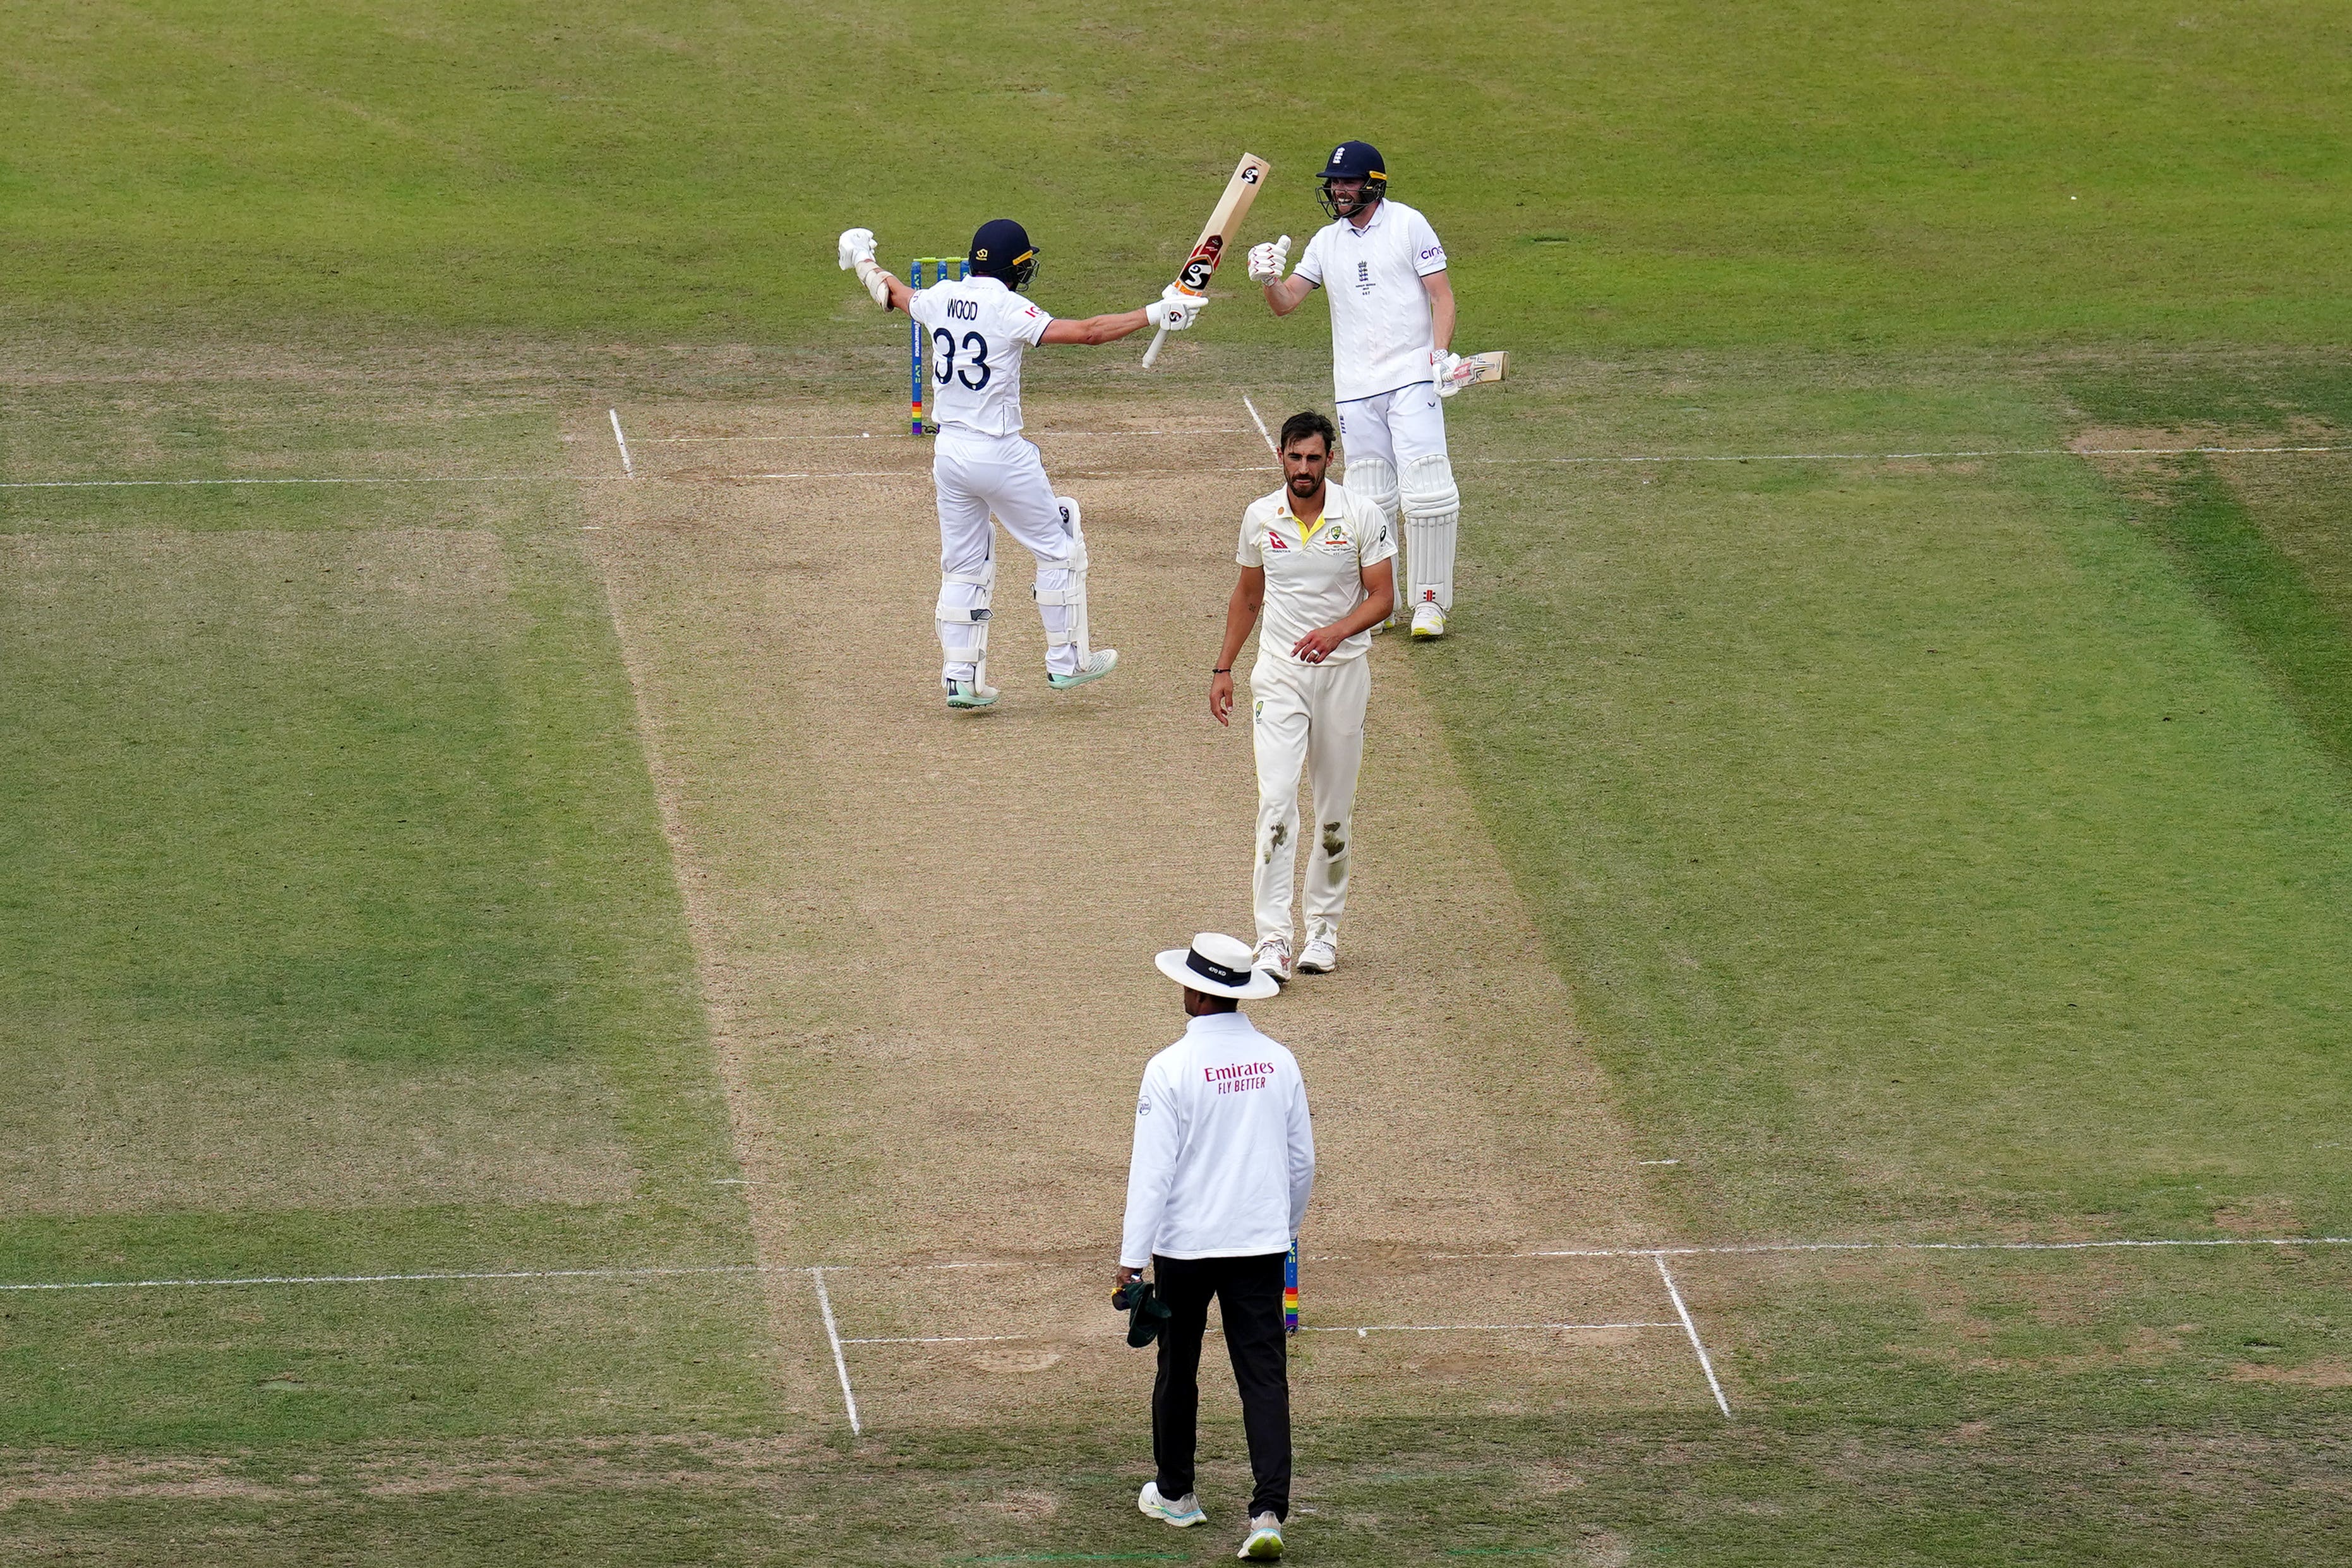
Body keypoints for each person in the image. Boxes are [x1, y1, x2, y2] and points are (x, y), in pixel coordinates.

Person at [839, 220, 1206, 709]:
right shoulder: (1009, 307)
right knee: (1060, 547)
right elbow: (1091, 334)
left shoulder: (942, 295)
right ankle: (1067, 661)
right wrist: (1157, 313)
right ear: (1015, 267)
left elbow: (894, 293)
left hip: (949, 453)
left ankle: (961, 679)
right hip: (1000, 451)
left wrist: (862, 257)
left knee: (964, 564)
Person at [1121, 932, 1316, 1562]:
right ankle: (1266, 1510)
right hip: (1258, 1243)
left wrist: (1131, 1256)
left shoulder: (1169, 1067)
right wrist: (1282, 1227)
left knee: (1178, 1366)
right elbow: (1300, 1161)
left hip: (1186, 1246)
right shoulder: (1278, 1061)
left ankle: (1177, 1493)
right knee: (1263, 1374)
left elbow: (1152, 1172)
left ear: (1198, 992)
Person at [1247, 141, 1466, 640]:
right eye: (1334, 182)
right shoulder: (1326, 241)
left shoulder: (1409, 224)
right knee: (1369, 497)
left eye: (1348, 181)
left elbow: (1443, 297)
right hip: (1355, 387)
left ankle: (1430, 603)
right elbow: (1285, 304)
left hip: (1412, 377)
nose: (1339, 190)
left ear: (1374, 183)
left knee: (1427, 490)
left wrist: (1438, 357)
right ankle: (1380, 602)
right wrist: (1267, 278)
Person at [1209, 411, 1396, 984]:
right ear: (1282, 457)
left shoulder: (1361, 514)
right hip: (1280, 678)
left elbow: (1383, 596)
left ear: (1329, 460)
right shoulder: (1260, 517)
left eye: (1314, 459)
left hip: (1343, 676)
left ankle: (1323, 930)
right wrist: (1224, 667)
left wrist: (1337, 631)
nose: (1304, 469)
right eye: (1295, 458)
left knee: (1334, 811)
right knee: (1277, 800)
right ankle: (1272, 938)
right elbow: (1247, 596)